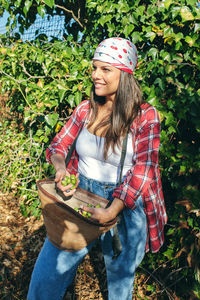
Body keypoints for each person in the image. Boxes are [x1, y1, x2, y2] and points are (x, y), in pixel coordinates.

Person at [27, 37, 167, 300]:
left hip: (124, 204)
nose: (95, 75)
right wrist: (60, 168)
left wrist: (113, 210)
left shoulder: (145, 116)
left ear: (125, 74)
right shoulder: (85, 110)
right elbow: (59, 144)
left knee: (120, 278)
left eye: (105, 69)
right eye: (94, 68)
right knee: (48, 275)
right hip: (80, 197)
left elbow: (144, 170)